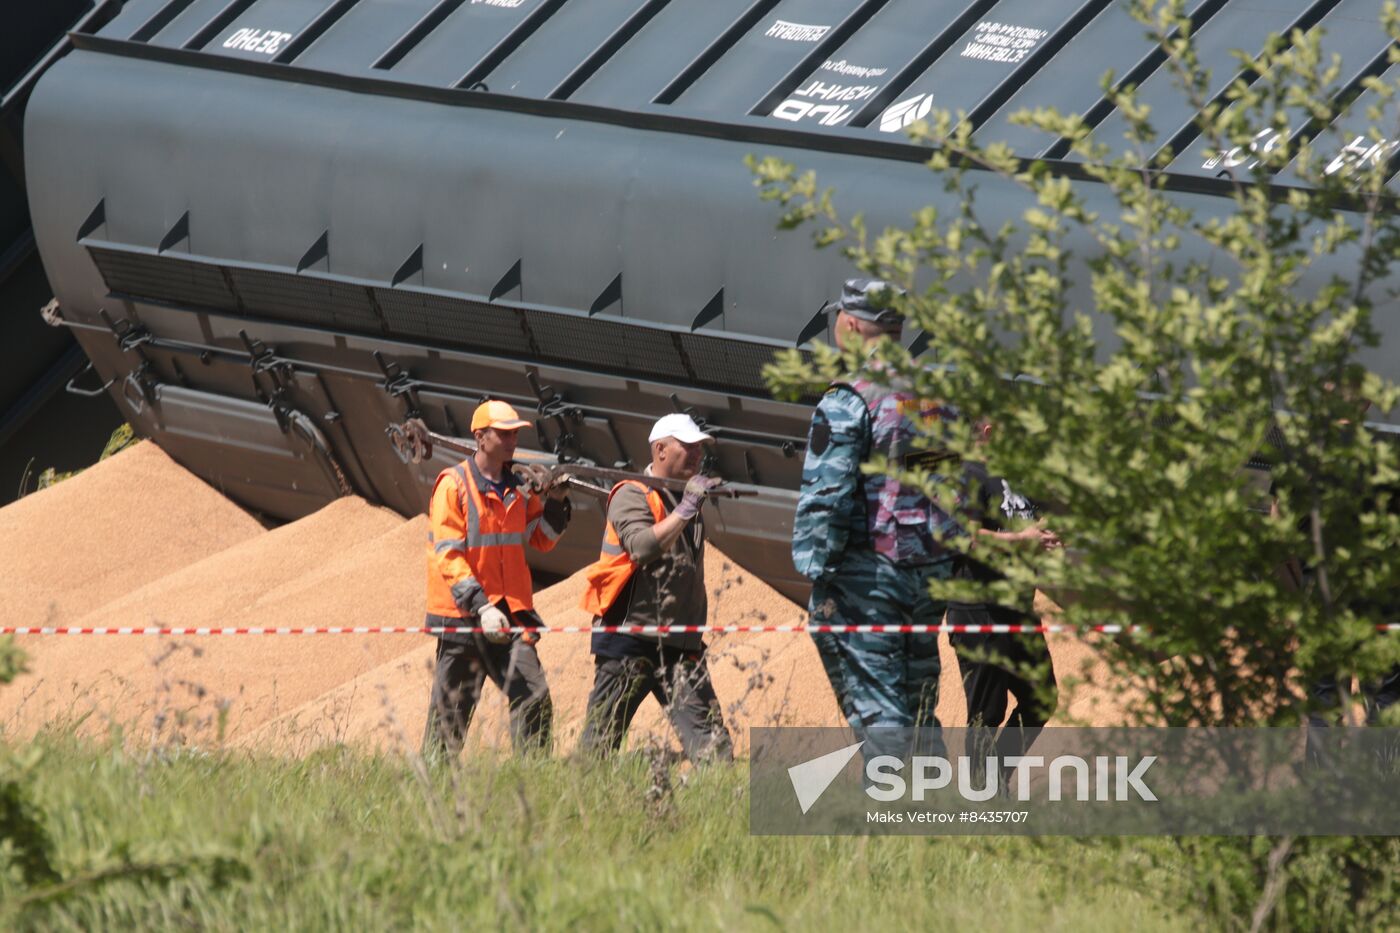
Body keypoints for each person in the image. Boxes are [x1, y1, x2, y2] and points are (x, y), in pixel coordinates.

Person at [793, 278, 961, 761]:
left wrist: (818, 570)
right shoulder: (934, 397)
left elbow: (828, 494)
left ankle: (893, 817)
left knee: (878, 706)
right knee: (919, 701)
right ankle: (933, 813)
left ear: (848, 325)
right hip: (928, 571)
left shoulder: (850, 398)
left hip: (870, 580)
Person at [576, 413, 733, 763]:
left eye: (699, 448)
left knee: (714, 751)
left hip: (680, 645)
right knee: (598, 747)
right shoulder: (632, 494)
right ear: (660, 449)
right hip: (629, 642)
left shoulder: (687, 503)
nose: (696, 455)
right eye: (687, 446)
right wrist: (686, 510)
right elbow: (642, 548)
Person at [421, 399, 572, 761]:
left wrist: (558, 503)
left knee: (533, 696)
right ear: (480, 436)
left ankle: (533, 780)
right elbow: (448, 554)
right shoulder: (453, 485)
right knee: (450, 720)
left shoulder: (518, 487)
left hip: (509, 614)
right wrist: (481, 605)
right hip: (464, 617)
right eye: (503, 433)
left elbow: (543, 539)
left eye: (514, 434)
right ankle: (434, 787)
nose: (511, 440)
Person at [947, 427, 1060, 793]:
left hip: (1017, 607)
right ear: (989, 430)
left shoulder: (1017, 475)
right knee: (987, 712)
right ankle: (982, 796)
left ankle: (993, 778)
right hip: (979, 606)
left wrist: (1046, 534)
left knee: (1042, 697)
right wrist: (1020, 539)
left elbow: (1034, 521)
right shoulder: (967, 474)